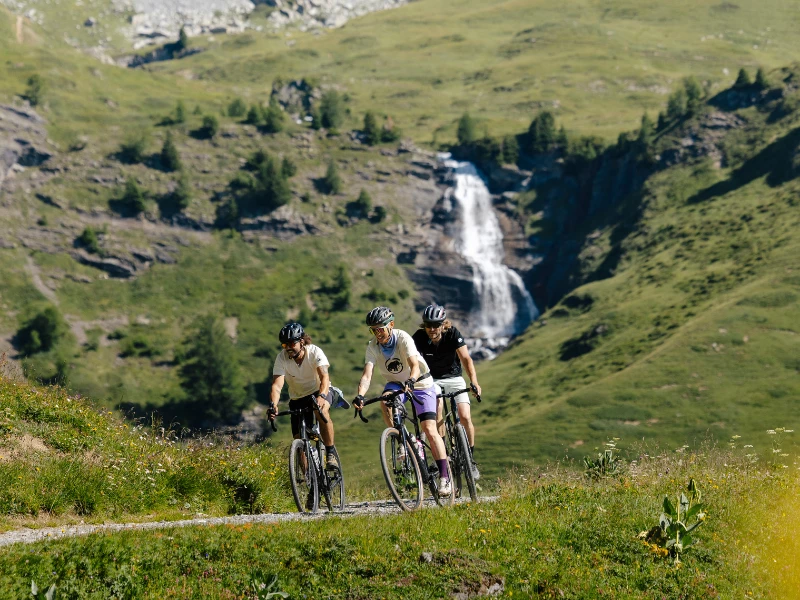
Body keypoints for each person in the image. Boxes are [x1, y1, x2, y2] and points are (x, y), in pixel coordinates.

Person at [353, 306, 452, 496]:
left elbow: (414, 365)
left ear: (391, 324)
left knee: (430, 429)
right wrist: (360, 395)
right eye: (374, 329)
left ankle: (445, 477)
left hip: (421, 382)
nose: (377, 333)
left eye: (380, 328)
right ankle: (404, 441)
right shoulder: (372, 346)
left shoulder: (403, 338)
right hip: (396, 384)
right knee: (385, 402)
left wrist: (412, 380)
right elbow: (367, 374)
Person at [411, 304, 482, 480]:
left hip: (455, 378)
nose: (432, 329)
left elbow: (466, 359)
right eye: (428, 325)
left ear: (443, 324)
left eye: (436, 325)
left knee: (465, 417)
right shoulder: (419, 338)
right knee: (438, 407)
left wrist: (474, 382)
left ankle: (470, 460)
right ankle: (442, 453)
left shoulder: (453, 334)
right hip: (431, 380)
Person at [268, 322, 339, 469]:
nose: (288, 348)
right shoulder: (281, 358)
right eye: (284, 345)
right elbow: (277, 385)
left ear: (301, 342)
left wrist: (322, 396)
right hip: (298, 398)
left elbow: (324, 377)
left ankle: (330, 453)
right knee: (298, 440)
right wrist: (273, 405)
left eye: (291, 343)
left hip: (320, 391)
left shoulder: (314, 352)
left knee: (322, 411)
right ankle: (309, 480)